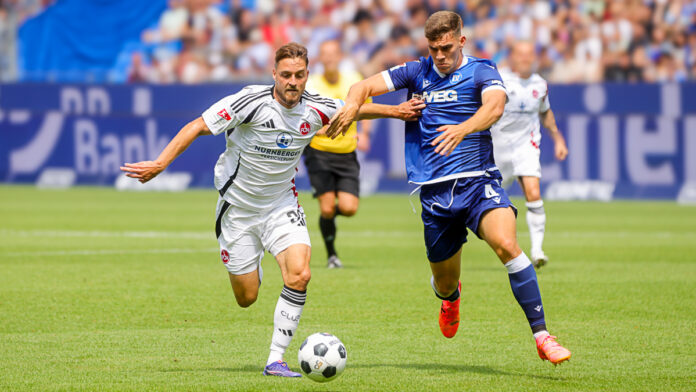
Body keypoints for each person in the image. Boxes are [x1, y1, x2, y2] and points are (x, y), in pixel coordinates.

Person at [120, 42, 422, 377]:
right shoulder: (248, 102)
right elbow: (197, 126)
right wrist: (161, 163)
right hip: (238, 211)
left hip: (281, 205)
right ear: (274, 74)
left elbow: (354, 109)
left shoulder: (316, 107)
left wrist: (396, 111)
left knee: (300, 273)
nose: (293, 81)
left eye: (300, 75)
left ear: (308, 75)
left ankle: (275, 359)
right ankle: (253, 263)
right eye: (287, 75)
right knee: (247, 297)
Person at [326, 11, 571, 365]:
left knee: (507, 244)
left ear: (461, 41)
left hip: (478, 182)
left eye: (445, 47)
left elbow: (495, 106)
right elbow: (362, 87)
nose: (439, 55)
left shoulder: (482, 70)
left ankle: (543, 336)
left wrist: (463, 128)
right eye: (433, 48)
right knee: (443, 282)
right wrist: (352, 106)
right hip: (435, 194)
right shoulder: (416, 70)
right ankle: (450, 298)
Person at [491, 41, 569, 269]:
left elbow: (545, 113)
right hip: (498, 148)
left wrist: (558, 139)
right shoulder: (499, 79)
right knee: (488, 200)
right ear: (512, 57)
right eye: (521, 55)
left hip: (527, 147)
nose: (526, 59)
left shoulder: (540, 84)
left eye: (529, 55)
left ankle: (537, 251)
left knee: (533, 192)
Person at [304, 39, 373, 268]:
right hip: (319, 152)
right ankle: (332, 255)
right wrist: (321, 129)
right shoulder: (312, 85)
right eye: (325, 54)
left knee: (348, 208)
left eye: (333, 54)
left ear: (340, 56)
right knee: (326, 206)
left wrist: (365, 133)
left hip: (346, 152)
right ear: (320, 58)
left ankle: (327, 219)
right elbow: (304, 118)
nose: (330, 58)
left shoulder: (354, 80)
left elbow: (368, 106)